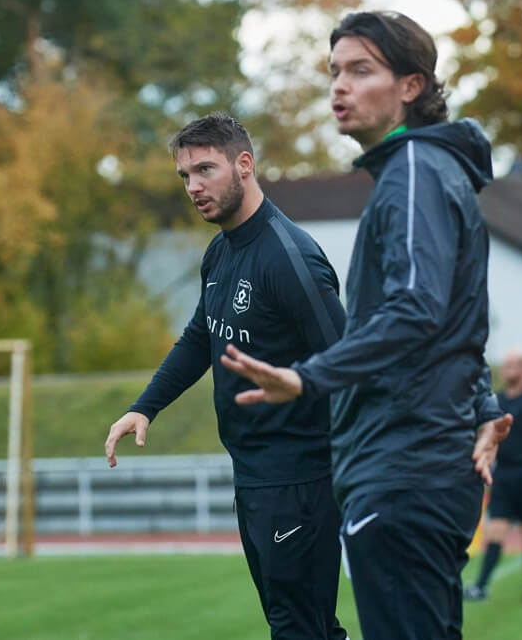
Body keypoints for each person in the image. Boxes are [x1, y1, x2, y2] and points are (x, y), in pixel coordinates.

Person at [219, 12, 514, 640]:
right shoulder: (426, 173)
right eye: (334, 73)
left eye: (360, 71)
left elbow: (415, 310)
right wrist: (483, 400)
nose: (339, 88)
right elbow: (449, 316)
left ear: (411, 85)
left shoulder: (414, 175)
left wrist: (307, 378)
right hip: (416, 462)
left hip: (405, 467)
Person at [104, 113, 349, 640]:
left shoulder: (290, 259)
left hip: (300, 479)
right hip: (255, 475)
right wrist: (145, 405)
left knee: (298, 628)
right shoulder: (221, 251)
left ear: (244, 165)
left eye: (205, 170)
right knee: (305, 628)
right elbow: (201, 339)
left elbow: (348, 362)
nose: (194, 187)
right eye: (185, 176)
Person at [464, 348, 522, 603]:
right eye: (504, 365)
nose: (507, 370)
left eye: (513, 365)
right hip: (503, 475)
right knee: (495, 530)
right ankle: (481, 586)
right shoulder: (497, 401)